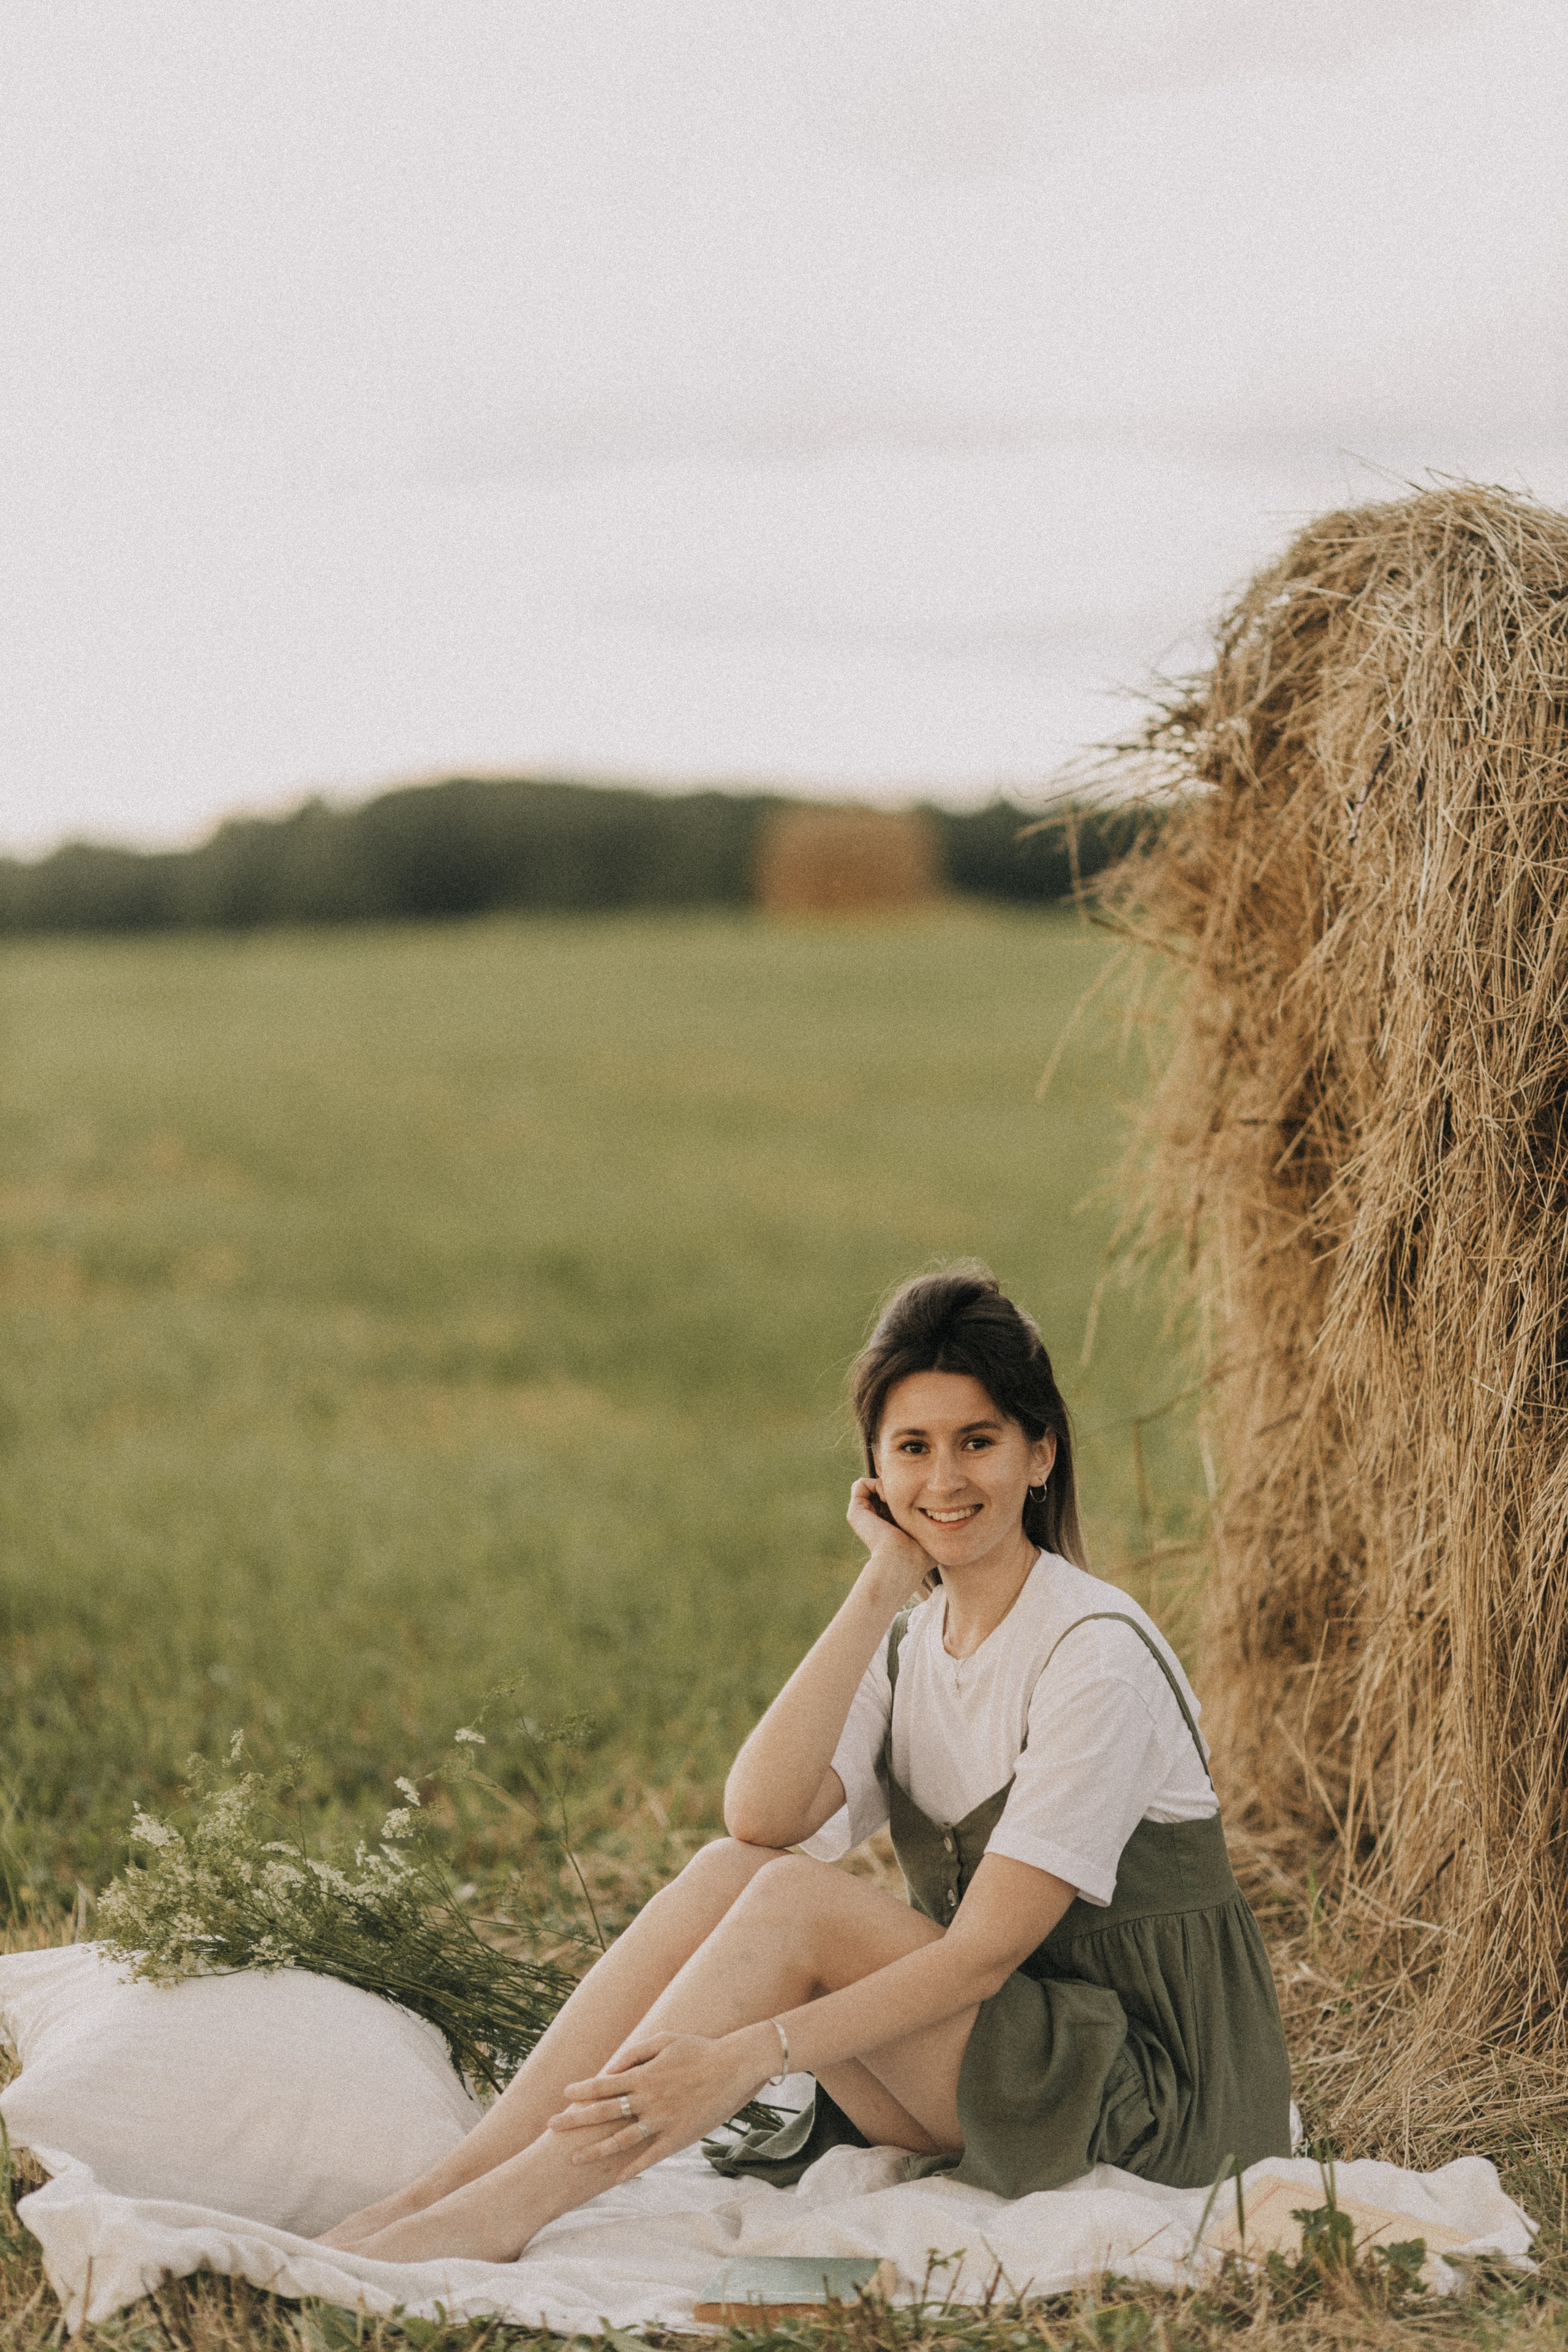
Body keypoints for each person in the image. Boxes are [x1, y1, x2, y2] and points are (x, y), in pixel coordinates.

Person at [322, 1265, 1291, 2265]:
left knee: (792, 1904)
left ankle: (499, 2214)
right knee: (735, 1873)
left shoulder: (1095, 1653)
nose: (946, 1481)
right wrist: (881, 1583)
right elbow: (760, 1814)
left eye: (979, 1442)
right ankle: (453, 2183)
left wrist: (741, 2061)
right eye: (913, 1448)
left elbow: (980, 1957)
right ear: (874, 1468)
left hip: (1156, 2098)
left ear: (1041, 1455)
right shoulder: (916, 1638)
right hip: (1011, 2058)